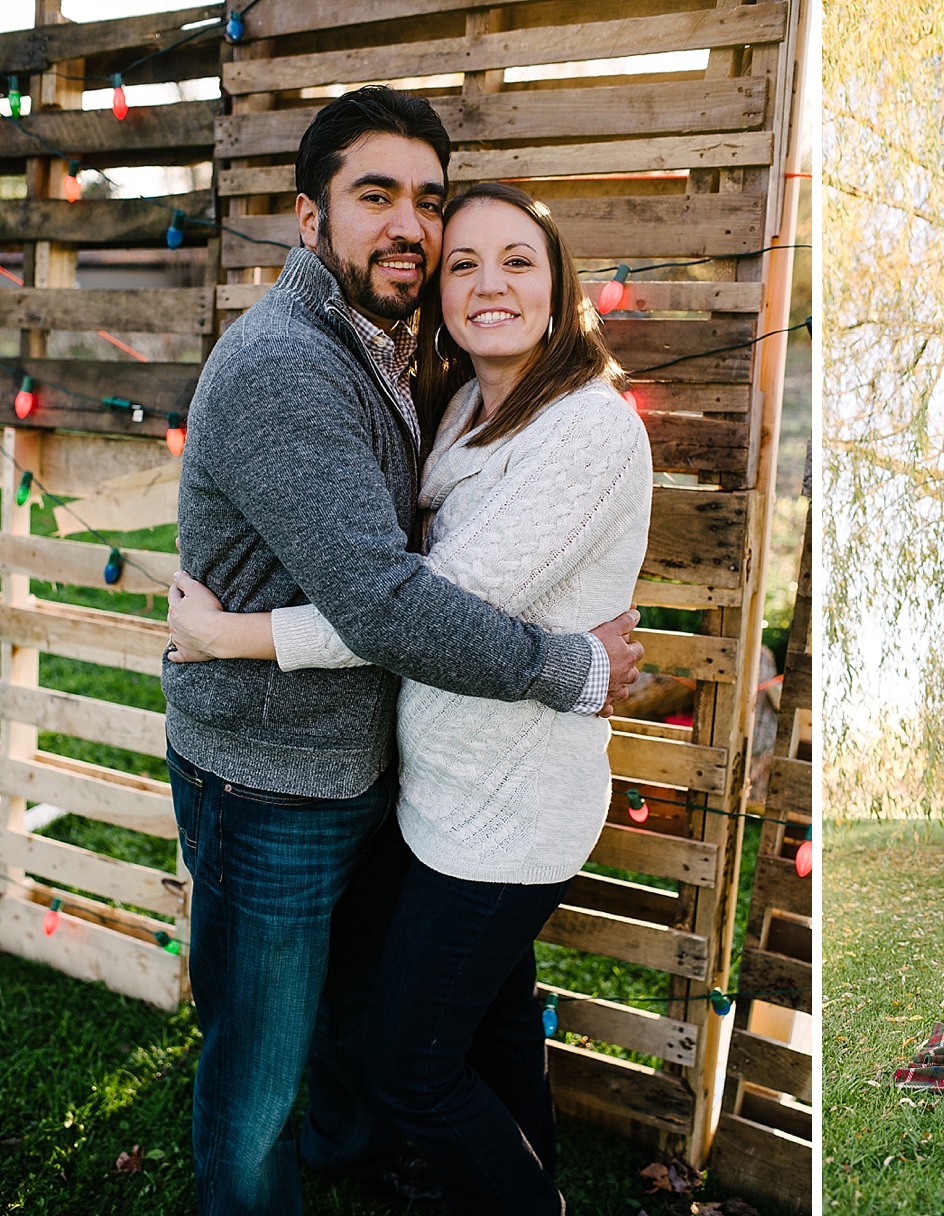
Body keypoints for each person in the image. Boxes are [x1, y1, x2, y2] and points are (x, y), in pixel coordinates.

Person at [160, 88, 643, 1216]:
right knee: (258, 1073)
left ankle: (376, 1163)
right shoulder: (294, 364)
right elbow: (390, 602)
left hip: (392, 776)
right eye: (375, 196)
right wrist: (571, 666)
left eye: (427, 201)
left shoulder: (401, 354)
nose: (413, 231)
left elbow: (413, 577)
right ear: (307, 217)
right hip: (271, 777)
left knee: (381, 1034)